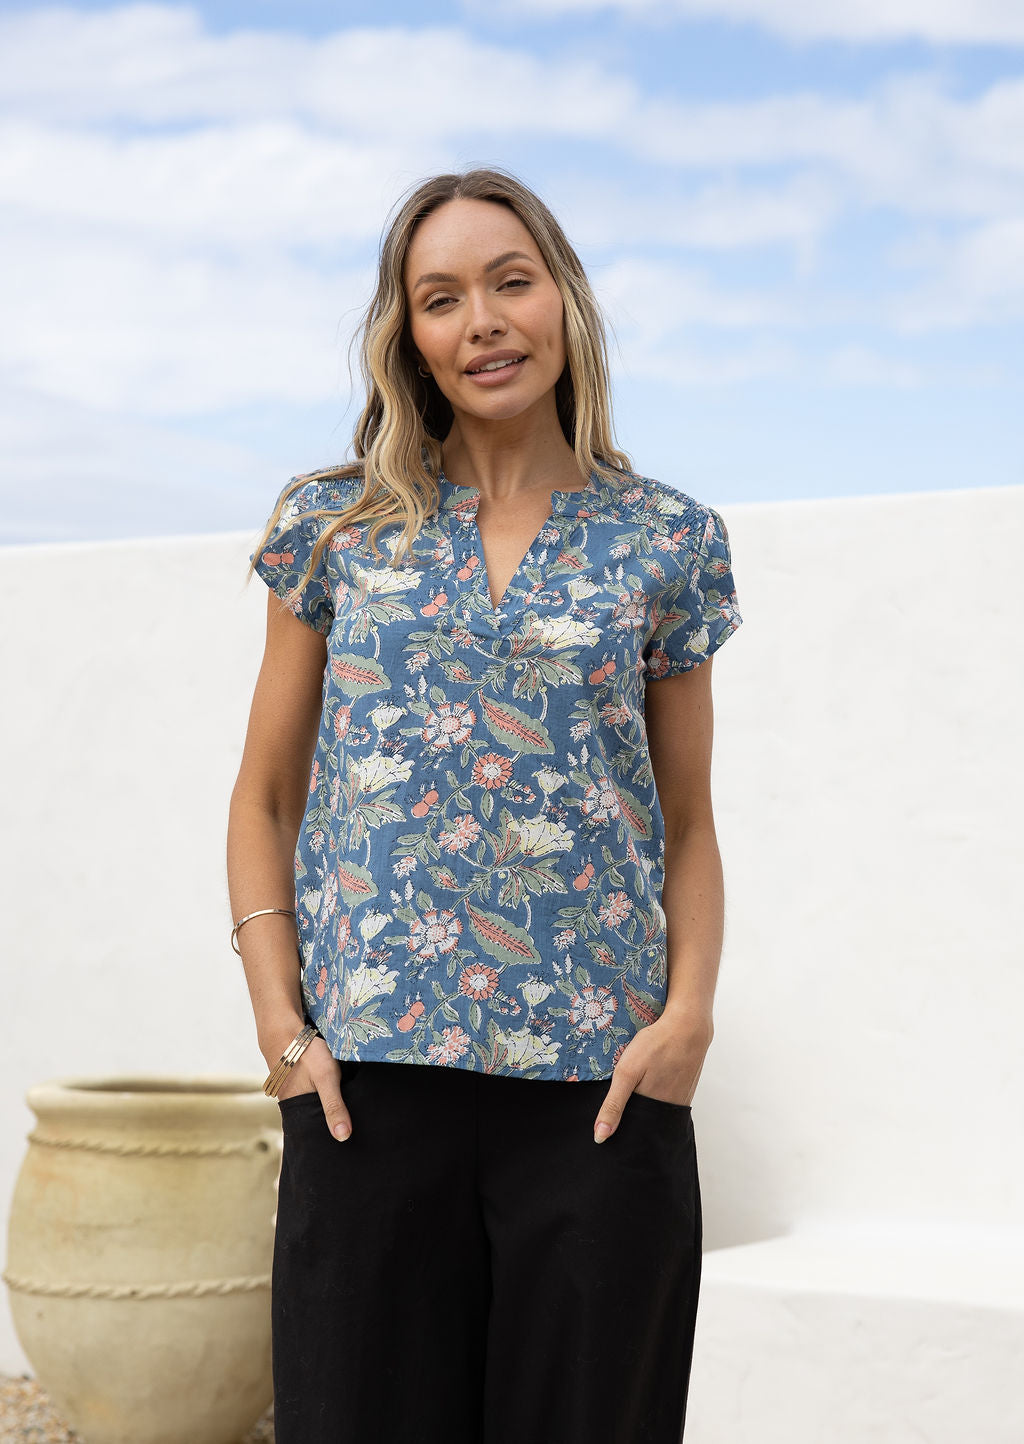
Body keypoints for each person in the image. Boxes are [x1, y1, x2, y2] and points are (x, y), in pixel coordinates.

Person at [226, 165, 743, 1444]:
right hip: (367, 1086)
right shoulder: (336, 527)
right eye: (441, 297)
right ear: (408, 334)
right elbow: (266, 792)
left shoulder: (664, 540)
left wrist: (685, 1021)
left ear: (562, 299)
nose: (483, 321)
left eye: (510, 282)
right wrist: (283, 1030)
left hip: (600, 1091)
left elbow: (683, 819)